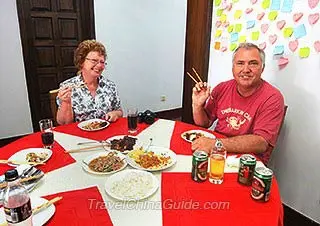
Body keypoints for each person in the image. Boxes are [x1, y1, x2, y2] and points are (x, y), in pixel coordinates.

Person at [191, 42, 285, 164]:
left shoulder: (273, 97)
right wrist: (197, 106)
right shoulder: (222, 88)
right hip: (216, 153)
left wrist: (216, 143)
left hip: (247, 162)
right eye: (240, 63)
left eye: (253, 63)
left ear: (262, 68)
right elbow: (204, 123)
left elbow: (261, 143)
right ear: (233, 68)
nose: (246, 70)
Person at [56, 39, 123, 125]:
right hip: (80, 136)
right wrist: (66, 102)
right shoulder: (67, 87)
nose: (99, 65)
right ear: (81, 61)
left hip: (106, 134)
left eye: (102, 62)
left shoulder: (110, 86)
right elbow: (64, 123)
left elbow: (119, 111)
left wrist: (115, 114)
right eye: (94, 61)